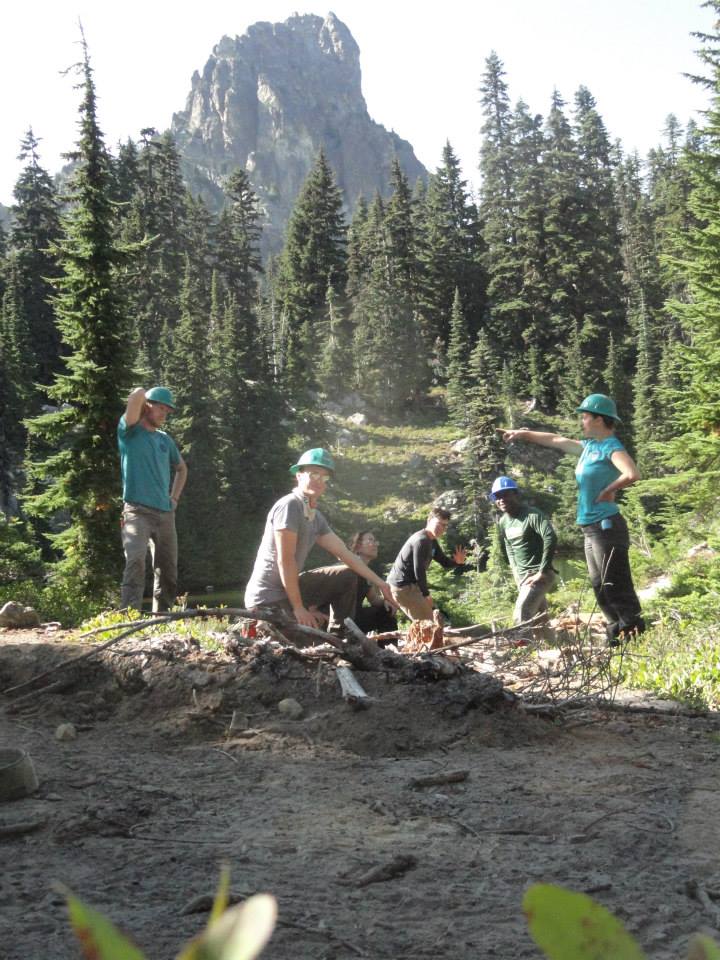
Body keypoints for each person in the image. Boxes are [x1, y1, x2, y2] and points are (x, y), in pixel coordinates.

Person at [498, 394, 645, 644]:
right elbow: (556, 440)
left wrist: (609, 490)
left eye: (585, 416)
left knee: (615, 584)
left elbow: (632, 473)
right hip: (591, 528)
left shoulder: (611, 446)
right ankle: (616, 637)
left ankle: (636, 634)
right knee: (599, 586)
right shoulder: (590, 447)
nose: (582, 421)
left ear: (599, 419)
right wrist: (521, 433)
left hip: (607, 525)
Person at [244, 448, 396, 634]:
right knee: (306, 650)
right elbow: (286, 560)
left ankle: (343, 635)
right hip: (268, 598)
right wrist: (299, 608)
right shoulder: (290, 505)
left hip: (289, 591)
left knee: (348, 573)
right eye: (314, 474)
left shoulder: (315, 517)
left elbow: (345, 554)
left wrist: (382, 583)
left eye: (324, 478)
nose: (319, 481)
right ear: (299, 476)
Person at [117, 386, 187, 612]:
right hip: (137, 512)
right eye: (160, 408)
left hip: (165, 514)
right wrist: (145, 395)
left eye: (167, 411)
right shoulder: (129, 431)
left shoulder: (165, 440)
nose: (163, 414)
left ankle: (163, 618)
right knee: (135, 561)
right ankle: (128, 617)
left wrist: (174, 499)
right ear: (147, 406)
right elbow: (136, 394)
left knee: (168, 571)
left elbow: (182, 469)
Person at [490, 476, 557, 633]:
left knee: (522, 611)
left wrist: (542, 571)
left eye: (505, 494)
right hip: (523, 576)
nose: (501, 500)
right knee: (540, 617)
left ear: (515, 494)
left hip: (540, 574)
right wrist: (516, 573)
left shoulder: (532, 515)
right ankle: (552, 647)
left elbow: (550, 537)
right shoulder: (503, 522)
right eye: (497, 497)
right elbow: (508, 547)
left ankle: (521, 650)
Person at [387, 507, 468, 621]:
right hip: (402, 587)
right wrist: (426, 595)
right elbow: (418, 570)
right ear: (429, 521)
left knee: (430, 621)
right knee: (427, 623)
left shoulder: (432, 541)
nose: (442, 528)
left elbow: (444, 562)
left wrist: (456, 562)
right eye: (439, 524)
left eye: (445, 525)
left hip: (410, 586)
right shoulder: (421, 540)